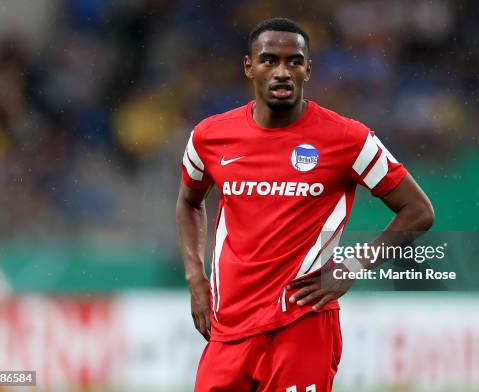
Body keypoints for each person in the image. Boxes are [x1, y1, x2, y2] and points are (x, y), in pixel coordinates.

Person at [176, 17, 434, 392]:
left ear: (308, 69)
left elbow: (419, 211)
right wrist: (195, 278)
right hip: (229, 326)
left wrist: (352, 267)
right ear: (249, 67)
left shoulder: (348, 139)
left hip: (302, 322)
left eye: (293, 61)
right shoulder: (210, 138)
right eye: (269, 60)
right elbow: (188, 201)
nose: (282, 71)